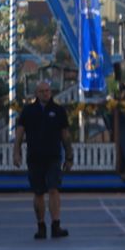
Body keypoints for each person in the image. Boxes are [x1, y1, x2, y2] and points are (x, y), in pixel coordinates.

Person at [16, 78, 74, 239]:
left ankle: (56, 225)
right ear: (36, 93)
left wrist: (69, 156)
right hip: (35, 157)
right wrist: (16, 152)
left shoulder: (58, 110)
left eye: (47, 91)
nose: (45, 94)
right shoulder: (28, 111)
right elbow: (20, 133)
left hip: (53, 156)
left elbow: (65, 135)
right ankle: (41, 226)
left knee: (54, 189)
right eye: (42, 91)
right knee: (38, 192)